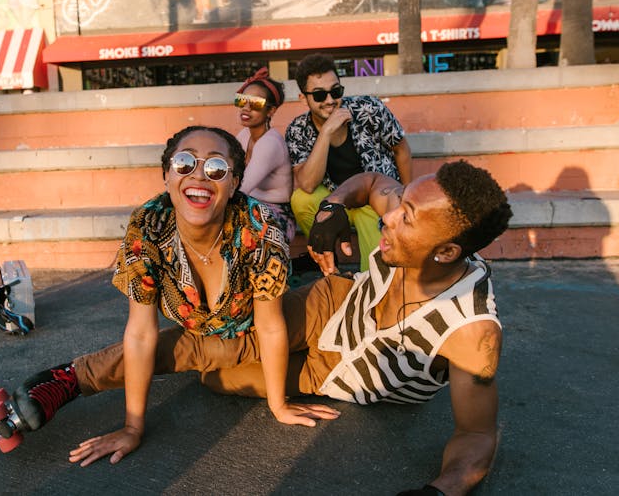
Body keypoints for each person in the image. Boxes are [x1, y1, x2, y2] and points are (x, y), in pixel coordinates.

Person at [0, 126, 339, 466]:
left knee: (217, 368)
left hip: (268, 325)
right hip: (213, 343)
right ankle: (69, 379)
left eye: (216, 167)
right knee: (215, 373)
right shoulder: (148, 228)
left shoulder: (257, 228)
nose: (199, 176)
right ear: (167, 176)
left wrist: (279, 406)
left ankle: (70, 377)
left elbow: (271, 326)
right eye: (185, 163)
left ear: (233, 185)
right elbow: (141, 333)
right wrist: (132, 428)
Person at [202, 160, 513, 495]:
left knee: (216, 377)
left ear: (447, 252)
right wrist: (332, 206)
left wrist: (439, 491)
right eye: (401, 202)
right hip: (337, 303)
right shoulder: (415, 214)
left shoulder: (471, 331)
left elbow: (477, 435)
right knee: (214, 346)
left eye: (405, 217)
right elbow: (371, 181)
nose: (389, 216)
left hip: (336, 374)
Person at [285, 52, 413, 271]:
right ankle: (328, 261)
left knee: (377, 268)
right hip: (336, 198)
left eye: (336, 91)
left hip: (372, 199)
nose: (330, 100)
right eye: (319, 95)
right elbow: (307, 184)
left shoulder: (368, 110)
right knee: (301, 199)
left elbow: (401, 148)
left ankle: (373, 287)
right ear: (303, 98)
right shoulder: (298, 130)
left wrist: (408, 197)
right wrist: (325, 133)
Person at [234, 67, 296, 241]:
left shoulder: (270, 143)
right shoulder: (244, 135)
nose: (246, 108)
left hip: (276, 217)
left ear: (270, 111)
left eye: (255, 104)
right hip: (251, 208)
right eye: (242, 101)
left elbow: (241, 187)